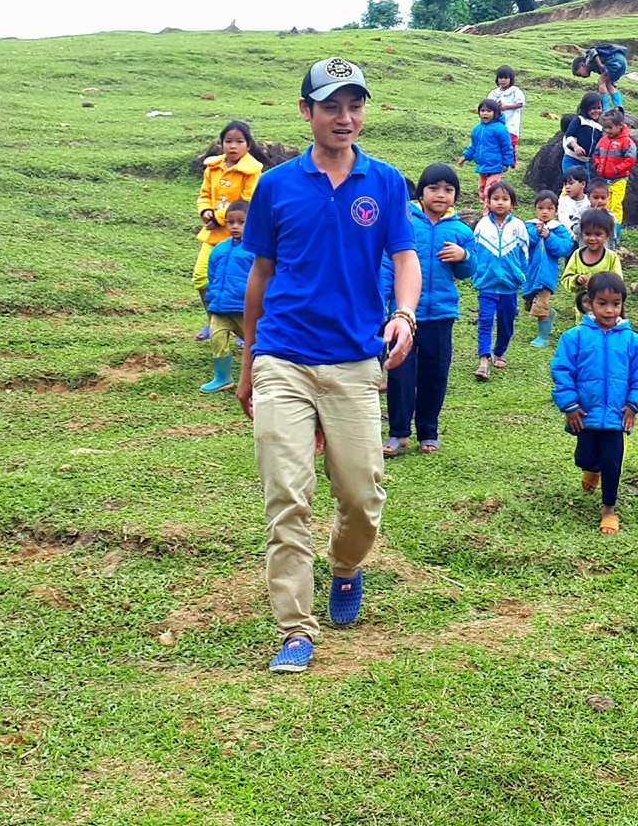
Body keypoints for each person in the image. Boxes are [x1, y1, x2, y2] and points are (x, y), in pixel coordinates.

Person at [238, 58, 419, 676]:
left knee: (362, 496)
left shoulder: (385, 182)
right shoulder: (274, 186)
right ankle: (295, 628)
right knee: (288, 496)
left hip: (353, 361)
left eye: (354, 106)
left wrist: (404, 314)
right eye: (331, 106)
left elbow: (405, 257)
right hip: (282, 357)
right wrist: (248, 363)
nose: (345, 117)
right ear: (306, 111)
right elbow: (260, 275)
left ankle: (345, 566)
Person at [551, 270, 638, 534]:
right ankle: (591, 469)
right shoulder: (573, 337)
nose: (609, 310)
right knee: (584, 458)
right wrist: (570, 406)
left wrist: (634, 405)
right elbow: (561, 372)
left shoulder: (634, 342)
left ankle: (608, 509)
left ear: (622, 304)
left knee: (612, 463)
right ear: (589, 303)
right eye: (602, 303)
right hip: (585, 414)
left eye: (616, 304)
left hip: (618, 417)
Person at [381, 164, 472, 457]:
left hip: (441, 314)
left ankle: (428, 431)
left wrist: (463, 256)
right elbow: (388, 263)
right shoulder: (404, 222)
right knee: (400, 373)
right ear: (421, 193)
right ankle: (398, 433)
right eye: (434, 188)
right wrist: (384, 303)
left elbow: (468, 271)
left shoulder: (460, 231)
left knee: (435, 373)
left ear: (455, 195)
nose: (441, 195)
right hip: (404, 314)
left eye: (448, 190)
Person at [469, 182, 531, 380]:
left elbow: (524, 255)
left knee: (506, 324)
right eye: (495, 199)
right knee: (485, 321)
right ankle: (483, 361)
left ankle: (500, 351)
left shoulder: (518, 226)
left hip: (509, 287)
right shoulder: (482, 225)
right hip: (487, 285)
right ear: (488, 202)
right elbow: (475, 252)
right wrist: (477, 273)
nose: (500, 203)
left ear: (512, 203)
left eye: (505, 199)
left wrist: (521, 276)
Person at [193, 120, 264, 292]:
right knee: (201, 277)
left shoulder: (252, 171)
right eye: (228, 141)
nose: (233, 146)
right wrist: (205, 211)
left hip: (240, 233)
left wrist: (218, 218)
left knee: (235, 280)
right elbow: (204, 195)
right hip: (213, 233)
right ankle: (210, 311)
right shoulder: (212, 168)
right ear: (221, 143)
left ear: (248, 145)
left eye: (239, 141)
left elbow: (248, 201)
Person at [197, 200, 254, 392]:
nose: (235, 226)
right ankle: (222, 377)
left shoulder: (256, 250)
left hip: (244, 308)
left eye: (241, 222)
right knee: (217, 338)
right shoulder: (219, 249)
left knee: (255, 343)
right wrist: (211, 298)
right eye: (230, 222)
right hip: (220, 307)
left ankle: (260, 377)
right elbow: (212, 276)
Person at [523, 190, 575, 348]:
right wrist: (535, 233)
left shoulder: (558, 229)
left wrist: (549, 236)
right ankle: (549, 313)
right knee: (529, 304)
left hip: (547, 275)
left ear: (556, 211)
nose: (545, 212)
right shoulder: (528, 226)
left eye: (549, 208)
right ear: (535, 210)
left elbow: (564, 248)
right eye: (541, 208)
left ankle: (543, 337)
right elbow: (523, 241)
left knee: (540, 305)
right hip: (530, 273)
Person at [555, 207, 620, 316]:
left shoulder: (611, 257)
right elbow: (566, 279)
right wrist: (577, 280)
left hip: (606, 314)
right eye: (587, 234)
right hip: (582, 315)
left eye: (598, 234)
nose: (592, 238)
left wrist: (600, 284)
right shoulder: (577, 255)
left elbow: (617, 283)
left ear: (607, 236)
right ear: (581, 234)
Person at [591, 109, 637, 230]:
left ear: (620, 125)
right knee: (604, 204)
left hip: (619, 179)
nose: (607, 130)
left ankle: (615, 232)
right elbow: (596, 153)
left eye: (610, 127)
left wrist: (617, 169)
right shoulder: (603, 140)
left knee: (615, 205)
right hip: (604, 179)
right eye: (605, 128)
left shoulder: (627, 142)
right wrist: (597, 164)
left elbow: (630, 159)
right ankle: (603, 229)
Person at [461, 98, 515, 200]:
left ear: (496, 113)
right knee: (482, 193)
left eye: (489, 111)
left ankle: (489, 209)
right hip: (482, 167)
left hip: (495, 166)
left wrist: (506, 163)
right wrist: (465, 156)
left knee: (489, 192)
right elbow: (474, 145)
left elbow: (507, 147)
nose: (485, 113)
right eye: (482, 111)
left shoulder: (500, 129)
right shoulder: (477, 129)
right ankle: (487, 205)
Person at [570, 42, 629, 112]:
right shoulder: (593, 67)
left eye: (580, 74)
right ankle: (618, 106)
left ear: (582, 65)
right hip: (622, 61)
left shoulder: (588, 61)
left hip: (614, 61)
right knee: (609, 83)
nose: (582, 77)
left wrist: (600, 64)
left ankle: (605, 107)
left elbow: (593, 51)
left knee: (601, 82)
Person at [487, 65, 526, 165]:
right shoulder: (494, 93)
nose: (503, 80)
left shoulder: (516, 91)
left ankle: (510, 162)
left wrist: (506, 107)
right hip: (496, 124)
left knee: (509, 143)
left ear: (510, 79)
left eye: (505, 78)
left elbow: (520, 104)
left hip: (511, 124)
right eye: (500, 78)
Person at [558, 92, 605, 168]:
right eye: (593, 108)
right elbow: (569, 135)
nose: (596, 111)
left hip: (585, 162)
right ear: (585, 108)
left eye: (599, 108)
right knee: (571, 176)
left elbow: (599, 144)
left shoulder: (599, 127)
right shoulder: (579, 120)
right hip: (571, 159)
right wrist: (575, 146)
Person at [557, 166, 589, 242]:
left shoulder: (589, 202)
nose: (567, 187)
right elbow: (564, 220)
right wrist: (573, 234)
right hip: (567, 236)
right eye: (565, 184)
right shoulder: (563, 201)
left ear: (582, 184)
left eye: (571, 183)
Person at [584, 177, 617, 245]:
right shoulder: (582, 212)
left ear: (608, 197)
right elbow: (575, 230)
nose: (599, 201)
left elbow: (612, 237)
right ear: (588, 197)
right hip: (585, 249)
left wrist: (613, 250)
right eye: (595, 197)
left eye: (603, 198)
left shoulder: (610, 216)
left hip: (603, 250)